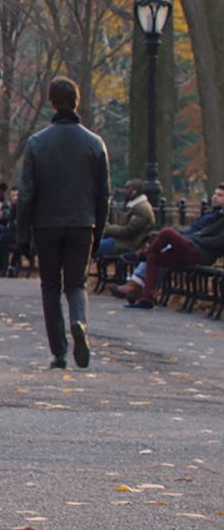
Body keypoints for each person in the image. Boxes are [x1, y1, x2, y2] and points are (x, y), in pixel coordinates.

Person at [16, 76, 110, 368]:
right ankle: (78, 321)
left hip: (46, 223)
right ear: (77, 102)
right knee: (76, 283)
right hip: (83, 221)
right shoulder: (95, 144)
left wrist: (22, 234)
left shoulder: (37, 143)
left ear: (52, 103)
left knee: (50, 287)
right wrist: (98, 230)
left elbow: (27, 194)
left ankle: (59, 350)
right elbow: (104, 195)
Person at [116, 183, 224, 308]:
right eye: (215, 194)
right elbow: (195, 230)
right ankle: (147, 300)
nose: (215, 197)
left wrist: (194, 239)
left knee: (167, 232)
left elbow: (219, 241)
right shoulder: (215, 214)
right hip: (191, 248)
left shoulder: (220, 217)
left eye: (220, 195)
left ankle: (142, 255)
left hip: (201, 253)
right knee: (153, 257)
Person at [96, 179, 154, 258]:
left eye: (127, 188)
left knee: (93, 247)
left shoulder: (141, 209)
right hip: (123, 241)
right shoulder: (134, 206)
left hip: (129, 245)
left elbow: (128, 231)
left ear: (134, 191)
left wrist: (107, 228)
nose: (124, 190)